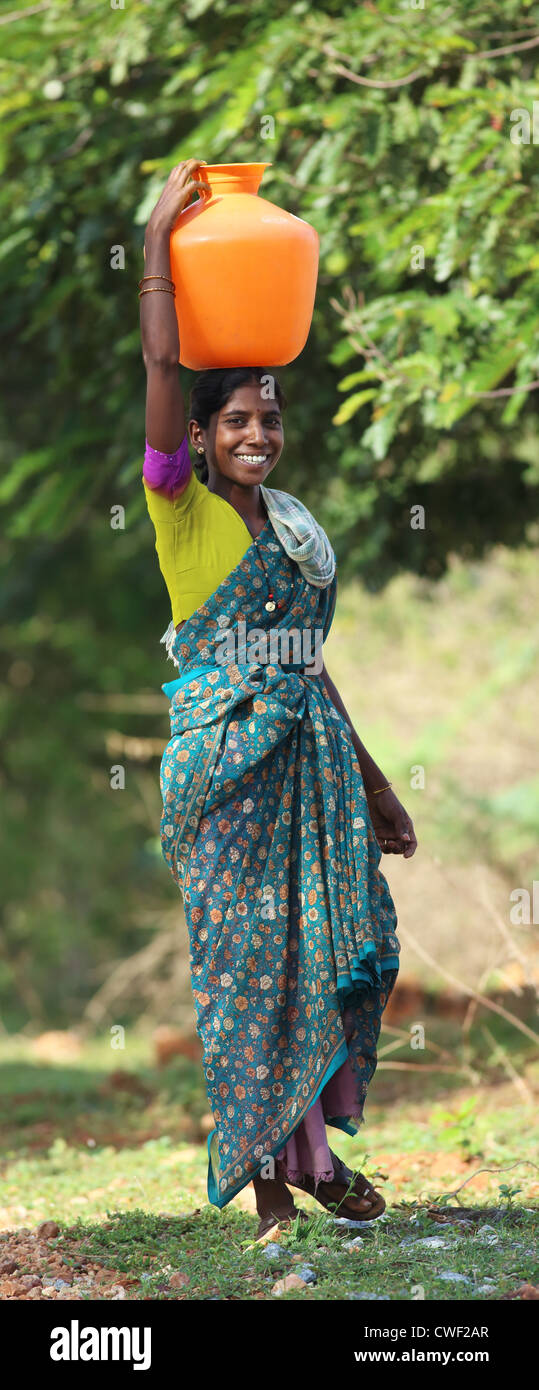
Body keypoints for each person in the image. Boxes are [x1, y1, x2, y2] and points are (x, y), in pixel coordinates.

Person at [140, 159, 417, 1240]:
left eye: (269, 418)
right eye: (236, 421)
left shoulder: (293, 533)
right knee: (245, 974)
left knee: (329, 948)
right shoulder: (178, 511)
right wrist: (162, 239)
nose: (256, 434)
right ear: (200, 440)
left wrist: (377, 784)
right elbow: (165, 362)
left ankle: (311, 1157)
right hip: (222, 779)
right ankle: (267, 1194)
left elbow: (309, 666)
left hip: (308, 768)